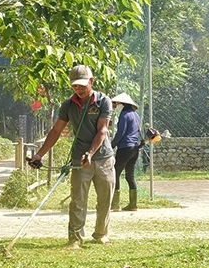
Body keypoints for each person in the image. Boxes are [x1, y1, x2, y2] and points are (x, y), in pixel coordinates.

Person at [29, 65, 115, 249]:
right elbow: (56, 131)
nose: (79, 89)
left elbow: (102, 130)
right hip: (79, 160)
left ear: (91, 81)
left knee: (105, 198)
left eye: (82, 85)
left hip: (103, 158)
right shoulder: (68, 105)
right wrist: (38, 154)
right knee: (78, 200)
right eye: (75, 86)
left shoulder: (103, 101)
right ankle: (75, 238)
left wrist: (90, 154)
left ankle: (101, 233)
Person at [110, 92, 142, 212]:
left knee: (115, 174)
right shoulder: (136, 115)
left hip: (125, 148)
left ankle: (115, 204)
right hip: (135, 149)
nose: (115, 105)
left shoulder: (124, 115)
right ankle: (133, 204)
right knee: (130, 176)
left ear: (121, 103)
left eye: (116, 103)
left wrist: (112, 146)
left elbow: (120, 133)